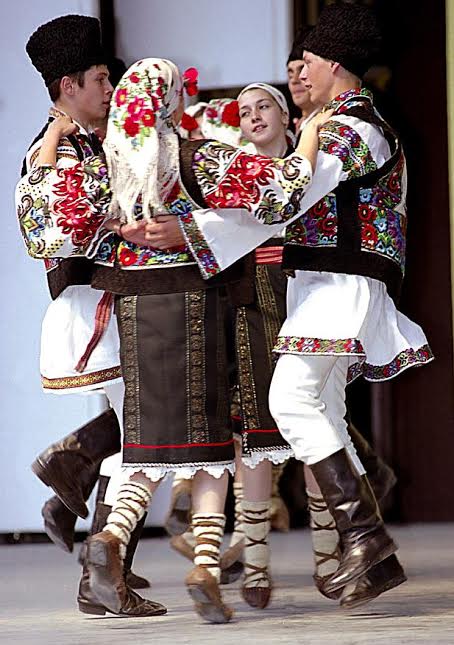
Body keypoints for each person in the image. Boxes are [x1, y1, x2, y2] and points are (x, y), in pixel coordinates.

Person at [20, 57, 330, 623]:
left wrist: (60, 163)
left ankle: (111, 538)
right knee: (210, 448)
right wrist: (308, 136)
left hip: (133, 315)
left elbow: (45, 227)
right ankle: (205, 564)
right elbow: (282, 193)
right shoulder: (193, 157)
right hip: (196, 307)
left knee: (145, 445)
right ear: (167, 105)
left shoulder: (101, 167)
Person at [150, 4, 433, 607]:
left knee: (289, 399)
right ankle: (365, 550)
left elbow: (281, 196)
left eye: (305, 64)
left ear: (333, 65)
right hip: (322, 281)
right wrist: (195, 229)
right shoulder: (332, 128)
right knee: (322, 408)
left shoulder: (353, 130)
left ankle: (366, 538)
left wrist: (187, 161)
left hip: (343, 281)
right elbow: (280, 208)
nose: (298, 74)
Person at [16, 14, 156, 616]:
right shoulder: (52, 151)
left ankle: (100, 565)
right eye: (102, 79)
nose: (111, 90)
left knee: (141, 431)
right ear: (69, 85)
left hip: (121, 300)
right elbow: (56, 229)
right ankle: (102, 570)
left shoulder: (98, 141)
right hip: (97, 302)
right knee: (147, 437)